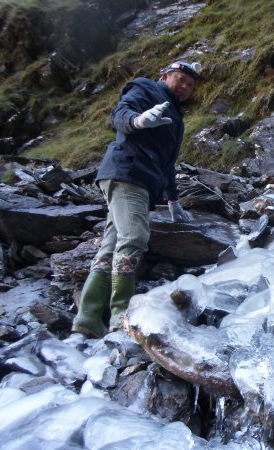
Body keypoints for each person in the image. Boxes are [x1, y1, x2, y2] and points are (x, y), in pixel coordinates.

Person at [72, 60, 200, 338]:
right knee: (134, 238)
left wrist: (173, 201)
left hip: (141, 180)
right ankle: (120, 316)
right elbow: (120, 113)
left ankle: (89, 317)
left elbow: (168, 163)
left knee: (112, 245)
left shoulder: (176, 119)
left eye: (190, 85)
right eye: (180, 79)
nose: (185, 87)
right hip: (128, 172)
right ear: (165, 75)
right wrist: (138, 121)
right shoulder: (146, 88)